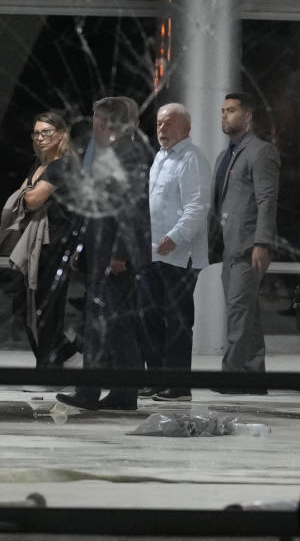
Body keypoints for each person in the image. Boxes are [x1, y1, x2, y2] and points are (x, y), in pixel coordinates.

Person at [57, 96, 152, 411]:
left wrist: (118, 253)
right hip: (103, 251)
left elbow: (131, 207)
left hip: (116, 255)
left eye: (97, 119)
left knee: (110, 325)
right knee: (107, 325)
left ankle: (104, 392)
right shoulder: (112, 152)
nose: (94, 125)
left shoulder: (128, 154)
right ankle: (112, 393)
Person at [137, 103, 210, 402]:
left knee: (178, 321)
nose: (162, 129)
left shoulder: (192, 159)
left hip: (180, 255)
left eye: (168, 123)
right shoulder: (159, 158)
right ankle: (156, 378)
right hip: (153, 252)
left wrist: (175, 237)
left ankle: (179, 385)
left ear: (186, 128)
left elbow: (197, 207)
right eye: (158, 124)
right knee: (149, 317)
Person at [207, 92, 280, 384]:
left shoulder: (261, 152)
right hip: (229, 247)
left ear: (248, 117)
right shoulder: (226, 155)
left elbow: (267, 200)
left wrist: (262, 243)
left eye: (232, 110)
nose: (225, 115)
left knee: (238, 312)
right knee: (245, 313)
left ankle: (233, 375)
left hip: (249, 247)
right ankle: (252, 374)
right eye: (223, 110)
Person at [18, 112, 79, 368]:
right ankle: (64, 354)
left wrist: (27, 195)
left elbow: (30, 200)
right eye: (37, 133)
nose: (40, 137)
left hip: (56, 242)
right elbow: (26, 195)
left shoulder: (62, 165)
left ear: (61, 135)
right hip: (37, 244)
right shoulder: (39, 164)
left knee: (47, 306)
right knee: (29, 307)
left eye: (46, 132)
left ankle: (47, 366)